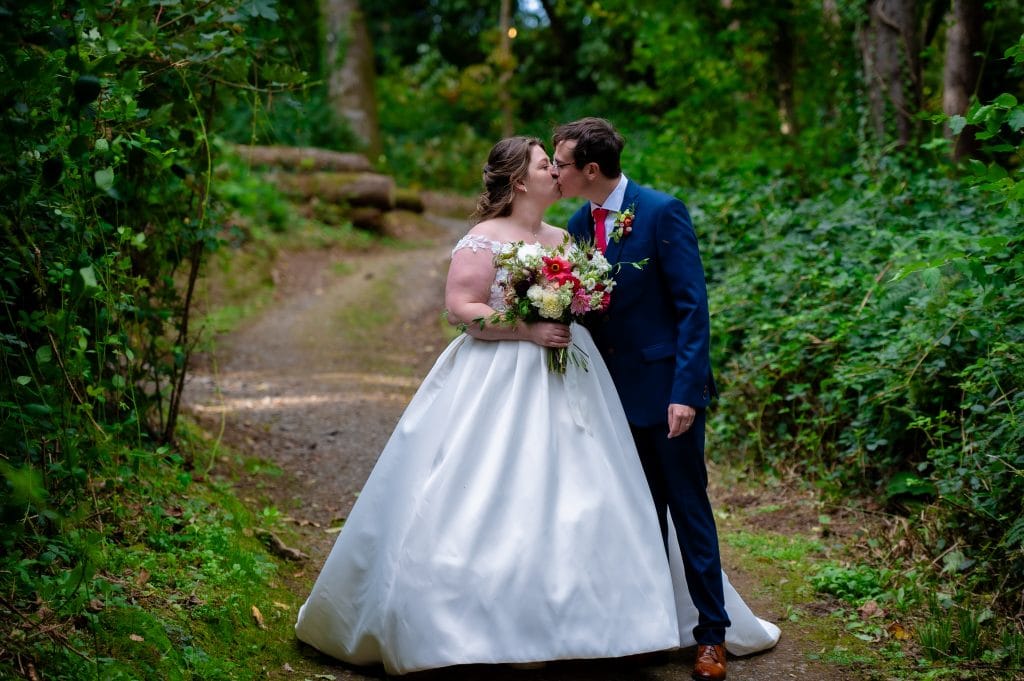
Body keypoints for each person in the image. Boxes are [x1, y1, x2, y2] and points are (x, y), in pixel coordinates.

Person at [294, 135, 779, 676]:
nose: (555, 170)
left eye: (559, 162)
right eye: (546, 163)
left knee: (599, 499)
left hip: (582, 380)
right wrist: (526, 327)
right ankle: (485, 623)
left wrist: (592, 320)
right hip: (498, 380)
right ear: (521, 181)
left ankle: (634, 626)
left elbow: (630, 305)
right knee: (495, 494)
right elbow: (460, 307)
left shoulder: (571, 233)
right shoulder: (488, 238)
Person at [551, 117, 768, 681]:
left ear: (590, 170)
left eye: (561, 163)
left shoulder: (661, 211)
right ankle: (644, 629)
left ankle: (711, 636)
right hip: (608, 396)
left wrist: (687, 392)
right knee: (634, 516)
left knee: (687, 510)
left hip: (667, 392)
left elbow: (692, 308)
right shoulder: (576, 224)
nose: (554, 171)